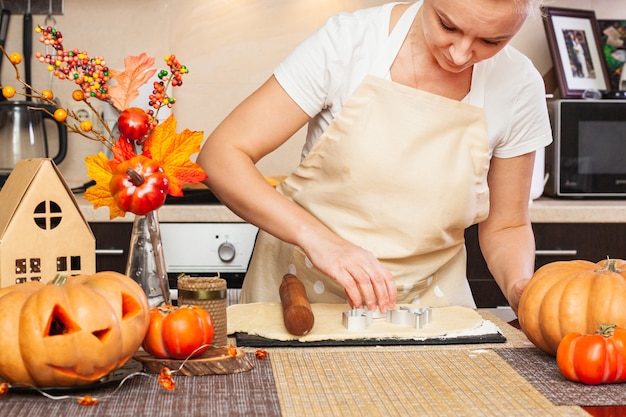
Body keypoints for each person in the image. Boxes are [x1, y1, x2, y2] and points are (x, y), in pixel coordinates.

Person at [197, 0, 552, 315]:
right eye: (448, 25)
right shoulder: (348, 44)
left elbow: (508, 224)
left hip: (431, 311)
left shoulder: (519, 85)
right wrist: (320, 240)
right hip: (300, 300)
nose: (459, 54)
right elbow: (221, 156)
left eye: (491, 41)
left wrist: (520, 285)